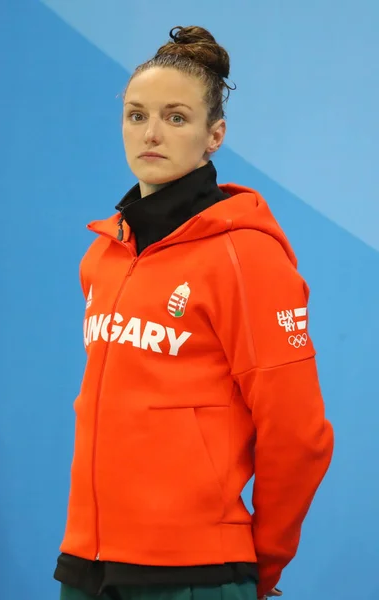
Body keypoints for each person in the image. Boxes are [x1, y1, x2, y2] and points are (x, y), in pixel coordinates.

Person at [54, 25, 334, 600]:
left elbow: (297, 434)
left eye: (176, 117)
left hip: (195, 573)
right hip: (88, 564)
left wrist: (264, 562)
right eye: (136, 115)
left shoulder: (245, 254)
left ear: (215, 135)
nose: (151, 133)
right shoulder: (102, 255)